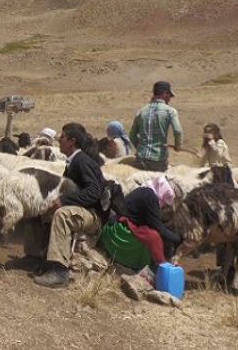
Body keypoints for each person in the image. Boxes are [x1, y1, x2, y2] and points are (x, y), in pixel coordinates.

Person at [34, 123, 105, 288]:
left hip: (92, 216)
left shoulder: (82, 162)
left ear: (72, 141)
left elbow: (95, 192)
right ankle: (43, 257)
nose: (59, 139)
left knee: (62, 214)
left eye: (63, 136)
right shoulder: (73, 162)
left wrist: (64, 201)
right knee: (44, 211)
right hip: (80, 211)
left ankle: (60, 271)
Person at [119, 176, 182, 263]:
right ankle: (160, 263)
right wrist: (178, 239)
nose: (165, 206)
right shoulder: (151, 198)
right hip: (122, 228)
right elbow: (159, 228)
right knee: (154, 236)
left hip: (122, 221)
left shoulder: (147, 192)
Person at [129, 80, 183, 172]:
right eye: (169, 96)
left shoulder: (141, 111)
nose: (169, 99)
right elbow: (178, 131)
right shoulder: (170, 111)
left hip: (140, 159)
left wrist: (140, 148)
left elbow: (132, 135)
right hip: (158, 160)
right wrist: (178, 146)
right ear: (165, 94)